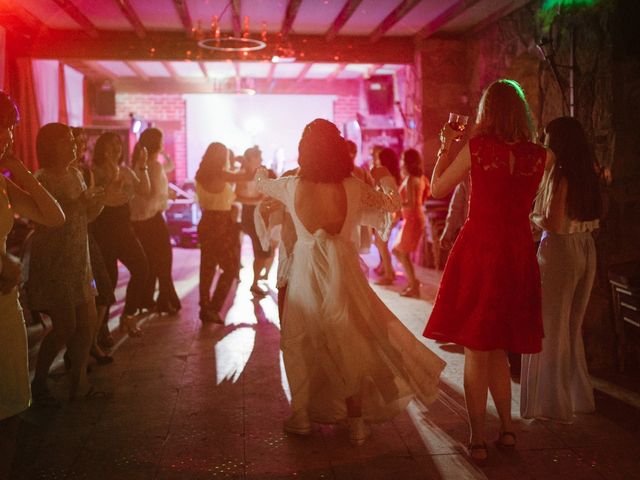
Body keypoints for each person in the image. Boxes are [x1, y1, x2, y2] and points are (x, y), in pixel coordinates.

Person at [256, 119, 445, 446]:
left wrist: (259, 170)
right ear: (340, 150)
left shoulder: (289, 186)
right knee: (351, 343)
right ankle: (356, 422)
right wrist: (383, 173)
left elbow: (261, 185)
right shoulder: (353, 188)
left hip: (303, 276)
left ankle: (300, 415)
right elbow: (390, 204)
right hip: (344, 275)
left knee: (300, 342)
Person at [423, 79, 552, 463]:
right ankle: (507, 431)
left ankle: (478, 437)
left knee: (477, 350)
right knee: (497, 347)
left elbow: (436, 188)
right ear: (521, 113)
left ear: (487, 112)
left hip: (480, 250)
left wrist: (446, 144)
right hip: (516, 253)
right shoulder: (543, 156)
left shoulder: (477, 149)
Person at [27, 123, 124, 405]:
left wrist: (101, 200)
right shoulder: (42, 178)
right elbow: (46, 219)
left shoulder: (75, 173)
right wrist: (80, 203)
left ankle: (78, 383)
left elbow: (86, 217)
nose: (74, 145)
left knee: (87, 323)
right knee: (64, 327)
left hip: (79, 258)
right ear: (50, 146)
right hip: (55, 260)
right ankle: (39, 382)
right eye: (67, 140)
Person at [0, 91, 65, 479]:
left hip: (5, 301)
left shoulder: (3, 185)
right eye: (3, 127)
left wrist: (18, 170)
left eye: (10, 129)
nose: (8, 136)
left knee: (10, 405)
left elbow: (52, 217)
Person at [520, 117, 601, 423]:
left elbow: (552, 223)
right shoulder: (590, 173)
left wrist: (531, 216)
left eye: (546, 137)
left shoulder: (561, 176)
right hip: (585, 247)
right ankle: (577, 396)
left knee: (549, 326)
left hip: (560, 251)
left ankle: (551, 402)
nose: (543, 143)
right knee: (571, 326)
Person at [90, 132, 150, 336]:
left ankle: (128, 315)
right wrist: (112, 175)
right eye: (111, 144)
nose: (116, 147)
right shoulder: (93, 172)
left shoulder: (125, 171)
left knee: (142, 268)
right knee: (108, 281)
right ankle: (101, 328)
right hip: (103, 229)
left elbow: (144, 190)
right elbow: (98, 199)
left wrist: (142, 165)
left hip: (124, 229)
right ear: (101, 148)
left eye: (118, 143)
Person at [195, 142, 255, 324]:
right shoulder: (221, 174)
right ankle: (213, 307)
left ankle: (205, 308)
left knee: (207, 267)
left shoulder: (200, 176)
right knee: (230, 267)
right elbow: (249, 176)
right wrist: (244, 160)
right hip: (220, 223)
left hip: (206, 222)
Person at [71, 127, 115, 363]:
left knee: (103, 292)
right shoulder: (48, 175)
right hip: (67, 241)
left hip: (88, 236)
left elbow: (91, 214)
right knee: (76, 302)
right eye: (75, 143)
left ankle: (92, 343)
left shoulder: (86, 173)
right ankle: (77, 352)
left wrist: (97, 202)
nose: (79, 149)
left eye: (82, 144)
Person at [130, 127, 181, 314]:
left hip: (140, 220)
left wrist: (166, 194)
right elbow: (155, 195)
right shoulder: (153, 166)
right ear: (156, 143)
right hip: (153, 219)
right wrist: (168, 196)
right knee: (163, 261)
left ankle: (147, 299)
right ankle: (165, 300)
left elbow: (168, 170)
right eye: (161, 141)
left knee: (151, 261)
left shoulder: (139, 164)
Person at [236, 146, 274, 295]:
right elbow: (237, 195)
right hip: (249, 213)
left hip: (261, 212)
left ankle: (256, 281)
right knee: (261, 249)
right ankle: (255, 282)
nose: (261, 160)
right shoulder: (242, 175)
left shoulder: (263, 173)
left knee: (265, 250)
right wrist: (255, 200)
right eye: (258, 157)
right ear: (250, 159)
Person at [392, 149, 428, 297]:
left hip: (412, 219)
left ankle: (414, 285)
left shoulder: (410, 179)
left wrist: (395, 203)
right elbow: (424, 197)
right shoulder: (421, 178)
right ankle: (413, 282)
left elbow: (411, 204)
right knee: (398, 250)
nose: (400, 161)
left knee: (400, 251)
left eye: (402, 158)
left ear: (406, 162)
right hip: (415, 218)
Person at [371, 147, 401, 285]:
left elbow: (377, 191)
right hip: (391, 213)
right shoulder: (394, 174)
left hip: (386, 213)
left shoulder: (383, 173)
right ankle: (389, 271)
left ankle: (389, 274)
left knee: (381, 243)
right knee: (382, 243)